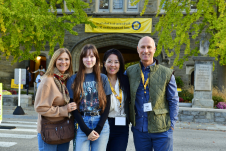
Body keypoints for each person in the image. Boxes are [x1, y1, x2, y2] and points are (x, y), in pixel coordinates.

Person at [125, 36, 179, 151]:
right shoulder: (130, 71)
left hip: (162, 129)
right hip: (139, 130)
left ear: (154, 49)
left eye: (149, 47)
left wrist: (172, 126)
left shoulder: (167, 73)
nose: (146, 50)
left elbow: (173, 100)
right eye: (142, 47)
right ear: (137, 49)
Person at [67, 44, 112, 151]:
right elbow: (73, 107)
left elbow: (107, 105)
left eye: (92, 56)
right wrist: (86, 130)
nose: (89, 60)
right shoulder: (73, 80)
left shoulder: (103, 78)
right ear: (81, 58)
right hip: (82, 124)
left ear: (96, 58)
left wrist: (99, 128)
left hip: (101, 124)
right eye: (85, 57)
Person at [34, 48, 77, 151]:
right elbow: (40, 108)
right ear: (54, 61)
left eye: (66, 59)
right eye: (60, 59)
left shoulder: (66, 80)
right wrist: (65, 109)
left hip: (64, 129)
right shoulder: (48, 80)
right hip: (49, 130)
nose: (64, 62)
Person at [102, 49, 130, 151]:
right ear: (104, 63)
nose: (112, 65)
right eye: (109, 61)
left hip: (121, 126)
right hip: (103, 123)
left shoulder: (126, 80)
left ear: (120, 64)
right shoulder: (99, 80)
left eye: (116, 62)